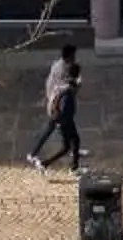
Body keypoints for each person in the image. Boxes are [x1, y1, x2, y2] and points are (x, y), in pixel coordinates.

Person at [26, 41, 83, 173]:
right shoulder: (66, 78)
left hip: (53, 105)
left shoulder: (56, 65)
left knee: (51, 131)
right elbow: (66, 94)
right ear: (69, 56)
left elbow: (52, 84)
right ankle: (70, 166)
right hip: (60, 113)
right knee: (69, 143)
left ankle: (35, 154)